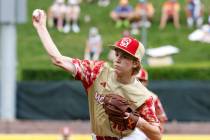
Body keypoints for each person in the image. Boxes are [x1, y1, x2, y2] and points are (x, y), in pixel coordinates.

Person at [32, 9, 162, 140]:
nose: (117, 59)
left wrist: (136, 120)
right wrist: (41, 27)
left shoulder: (143, 96)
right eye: (117, 54)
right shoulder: (97, 71)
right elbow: (58, 59)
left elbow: (157, 135)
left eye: (124, 56)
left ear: (135, 63)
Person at [136, 68, 168, 133]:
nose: (138, 82)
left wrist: (156, 134)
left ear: (146, 82)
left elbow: (161, 118)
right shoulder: (123, 95)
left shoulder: (153, 97)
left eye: (141, 80)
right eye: (135, 80)